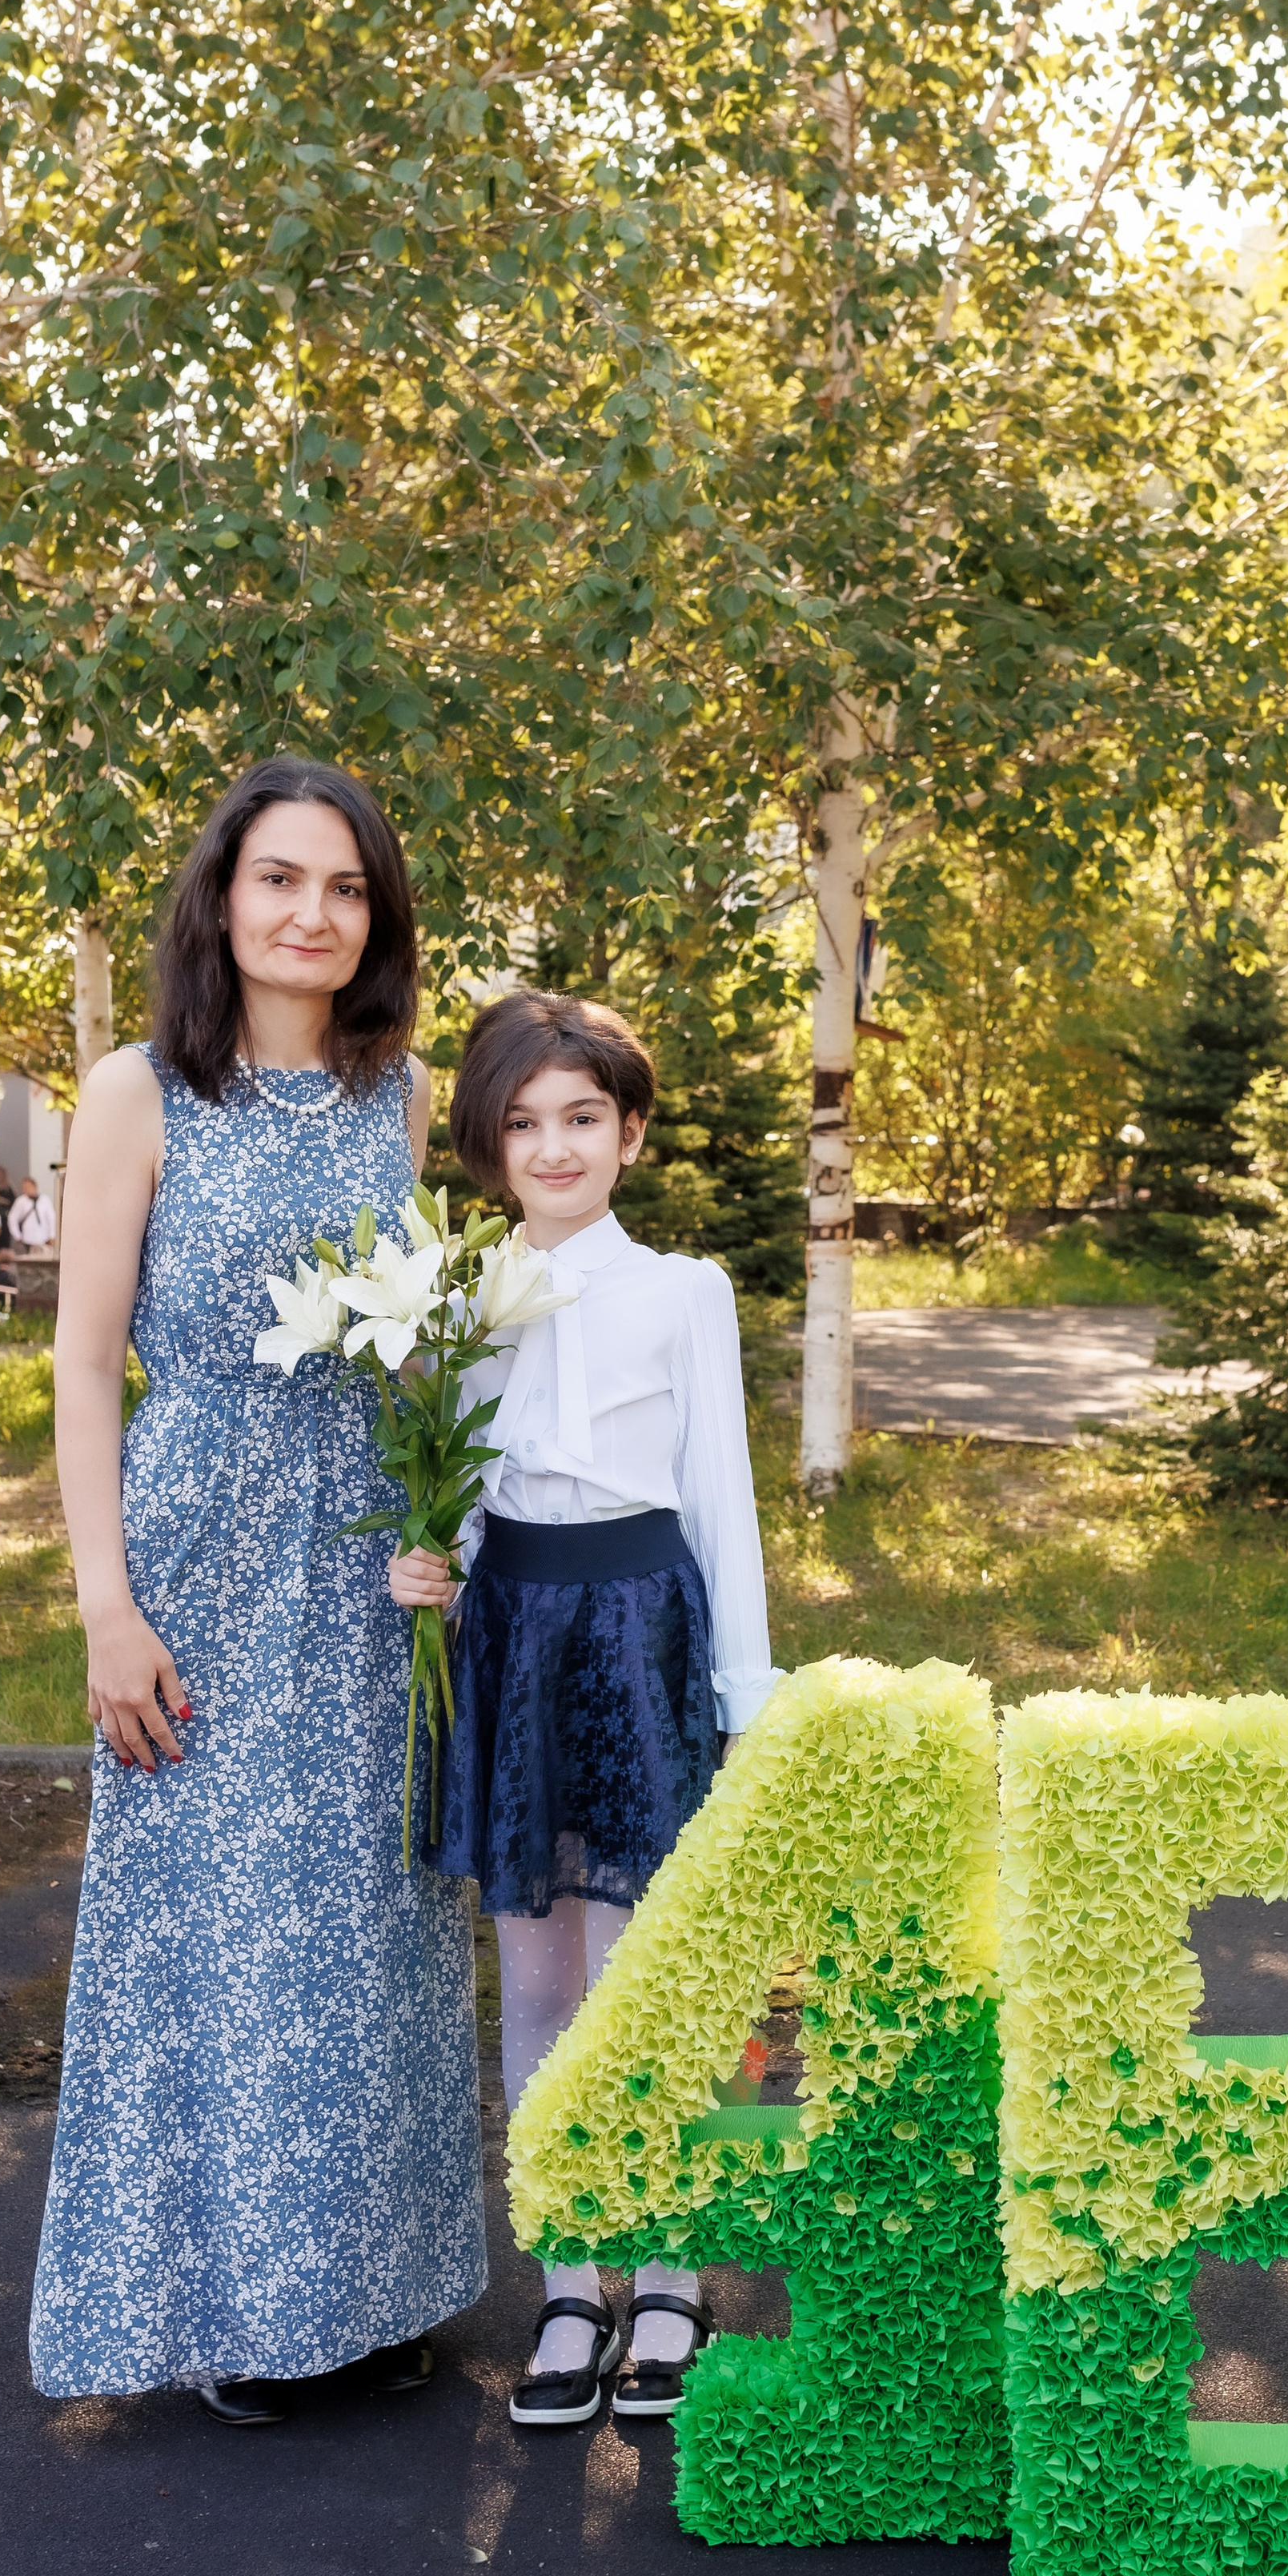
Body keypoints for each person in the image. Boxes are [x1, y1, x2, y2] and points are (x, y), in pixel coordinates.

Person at [32, 754, 485, 2425]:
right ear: (223, 896)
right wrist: (106, 1605)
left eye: (346, 887)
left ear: (376, 920)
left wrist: (443, 1522)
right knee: (213, 1928)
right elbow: (86, 1370)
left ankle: (367, 2292)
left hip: (369, 1546)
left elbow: (417, 1328)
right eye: (281, 878)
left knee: (370, 1918)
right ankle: (232, 2311)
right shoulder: (139, 1090)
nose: (312, 912)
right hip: (200, 1541)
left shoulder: (403, 1092)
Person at [391, 990, 776, 2431]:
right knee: (541, 1973)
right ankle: (569, 2281)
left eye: (581, 1119)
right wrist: (427, 1564)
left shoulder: (684, 1293)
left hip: (641, 1632)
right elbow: (457, 1491)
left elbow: (724, 1504)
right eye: (522, 1123)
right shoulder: (454, 1297)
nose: (553, 1147)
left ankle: (672, 2274)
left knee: (652, 1969)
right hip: (513, 1640)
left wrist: (748, 1697)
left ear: (628, 1133)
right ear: (490, 1147)